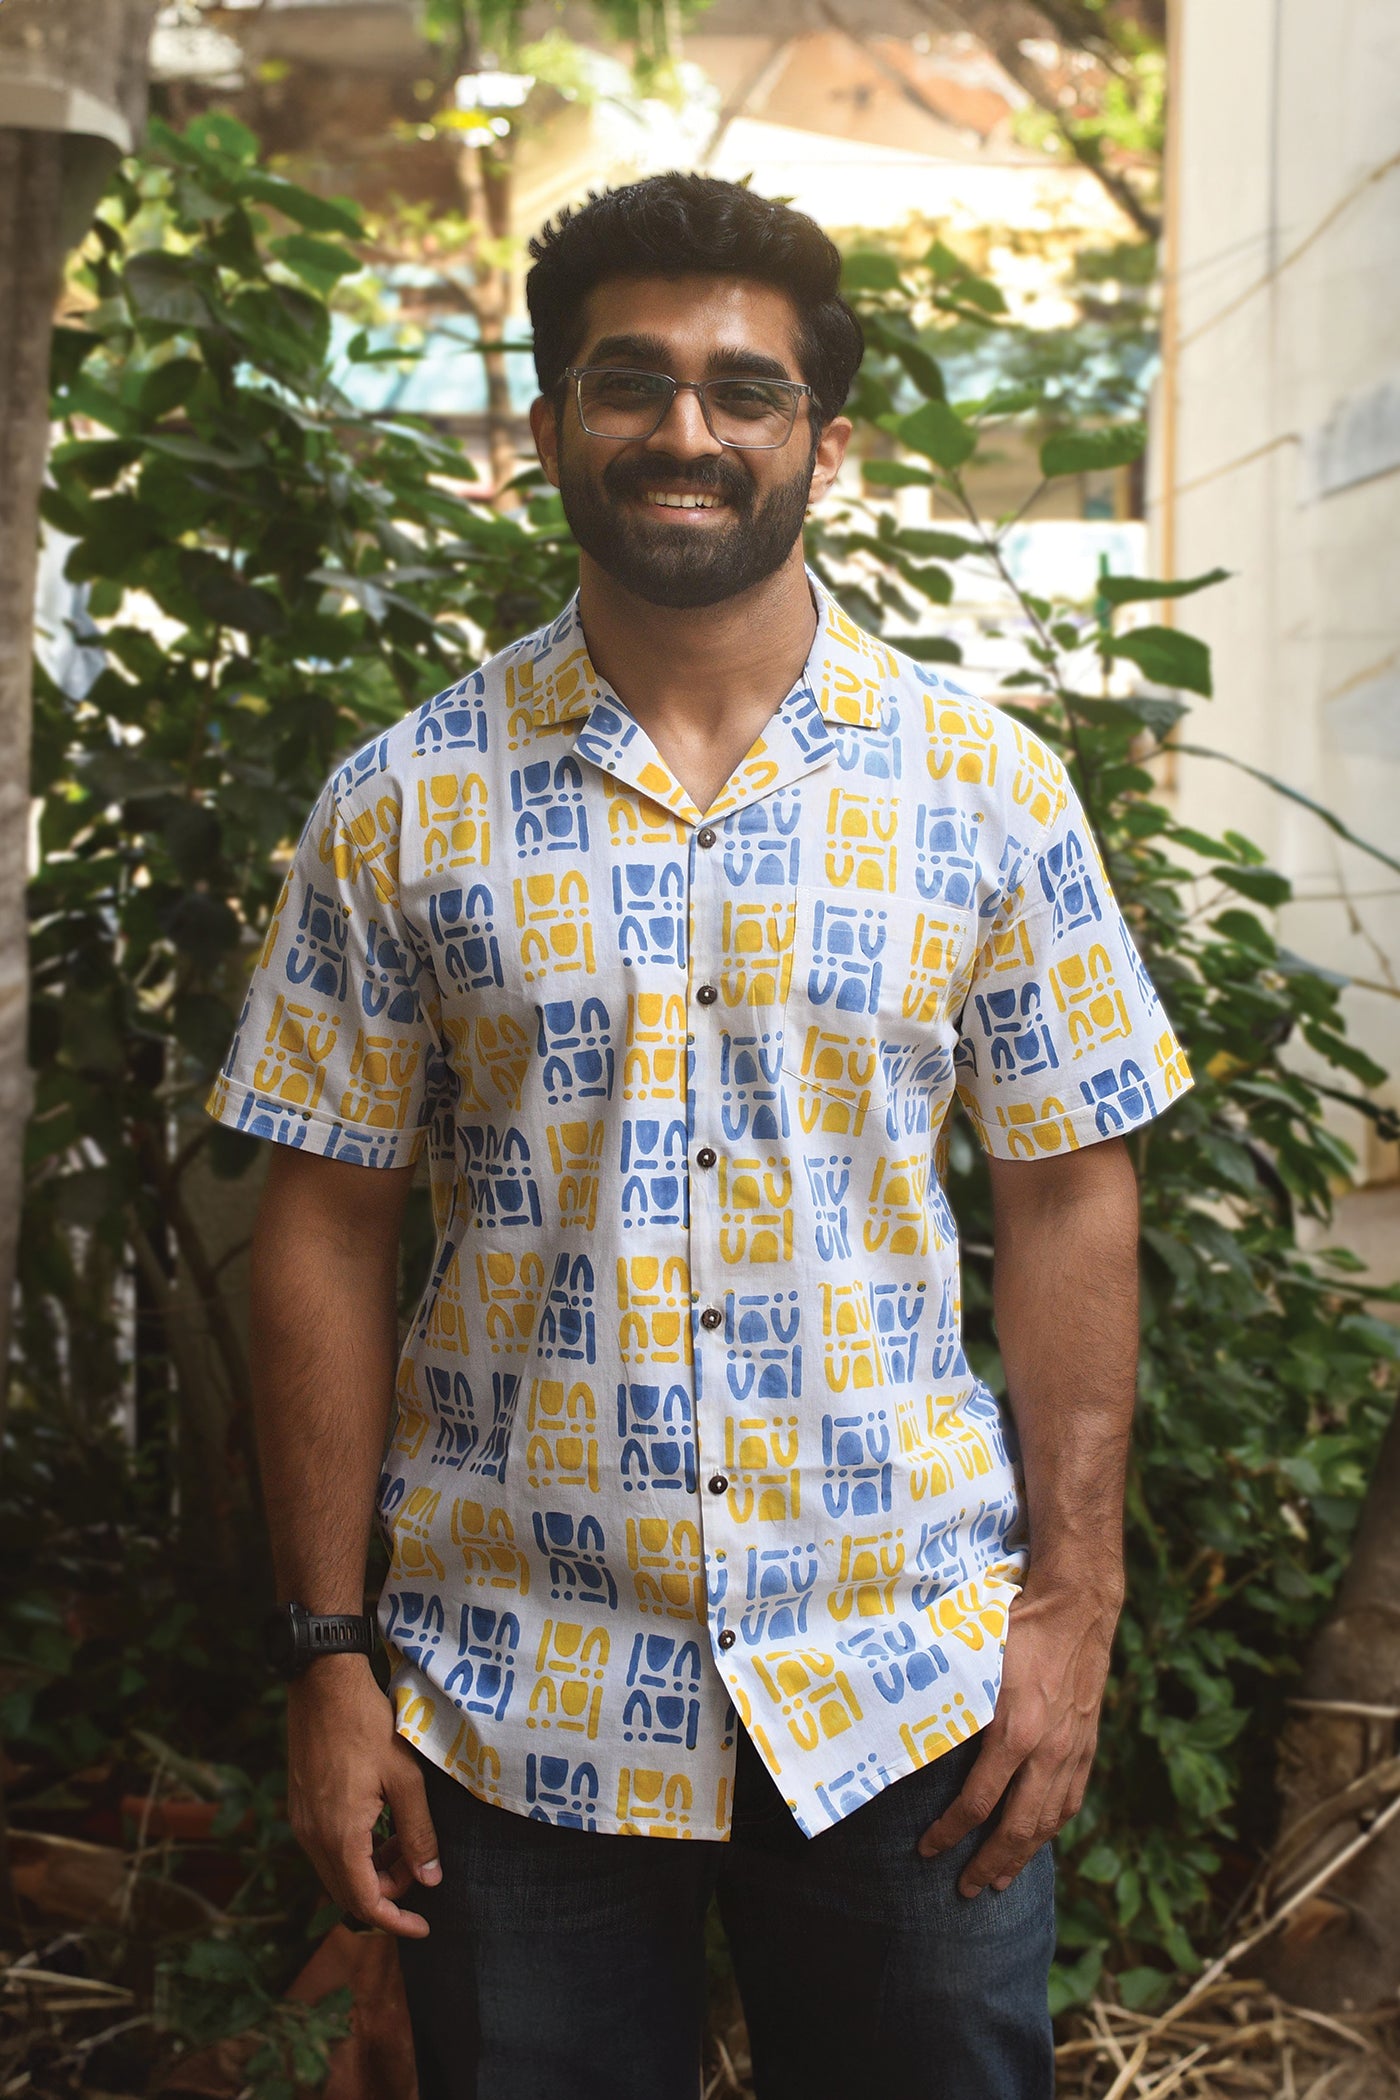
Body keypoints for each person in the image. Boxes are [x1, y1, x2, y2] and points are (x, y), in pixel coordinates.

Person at [210, 172, 1192, 2100]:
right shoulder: (402, 802)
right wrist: (330, 1656)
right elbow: (320, 1226)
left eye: (746, 391)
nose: (686, 430)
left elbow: (1072, 1191)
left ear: (827, 439)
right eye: (631, 381)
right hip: (514, 1695)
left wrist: (1072, 1612)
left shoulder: (986, 789)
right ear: (554, 421)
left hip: (909, 1687)